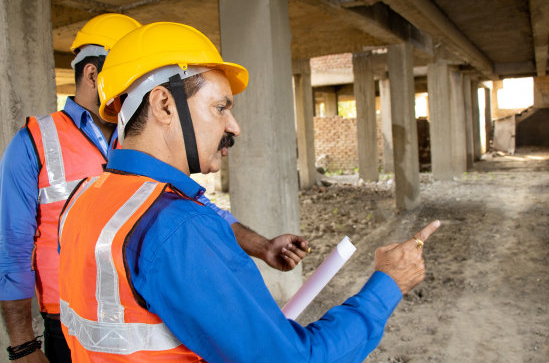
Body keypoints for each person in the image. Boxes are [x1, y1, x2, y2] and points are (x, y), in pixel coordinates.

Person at [58, 22, 440, 362]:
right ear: (163, 104)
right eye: (221, 108)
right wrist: (387, 284)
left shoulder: (84, 197)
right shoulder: (176, 226)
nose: (235, 126)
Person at [0, 14, 307, 363]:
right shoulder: (37, 143)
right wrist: (24, 344)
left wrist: (262, 246)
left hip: (147, 316)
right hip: (70, 325)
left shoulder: (138, 139)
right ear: (92, 75)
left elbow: (193, 207)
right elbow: (12, 248)